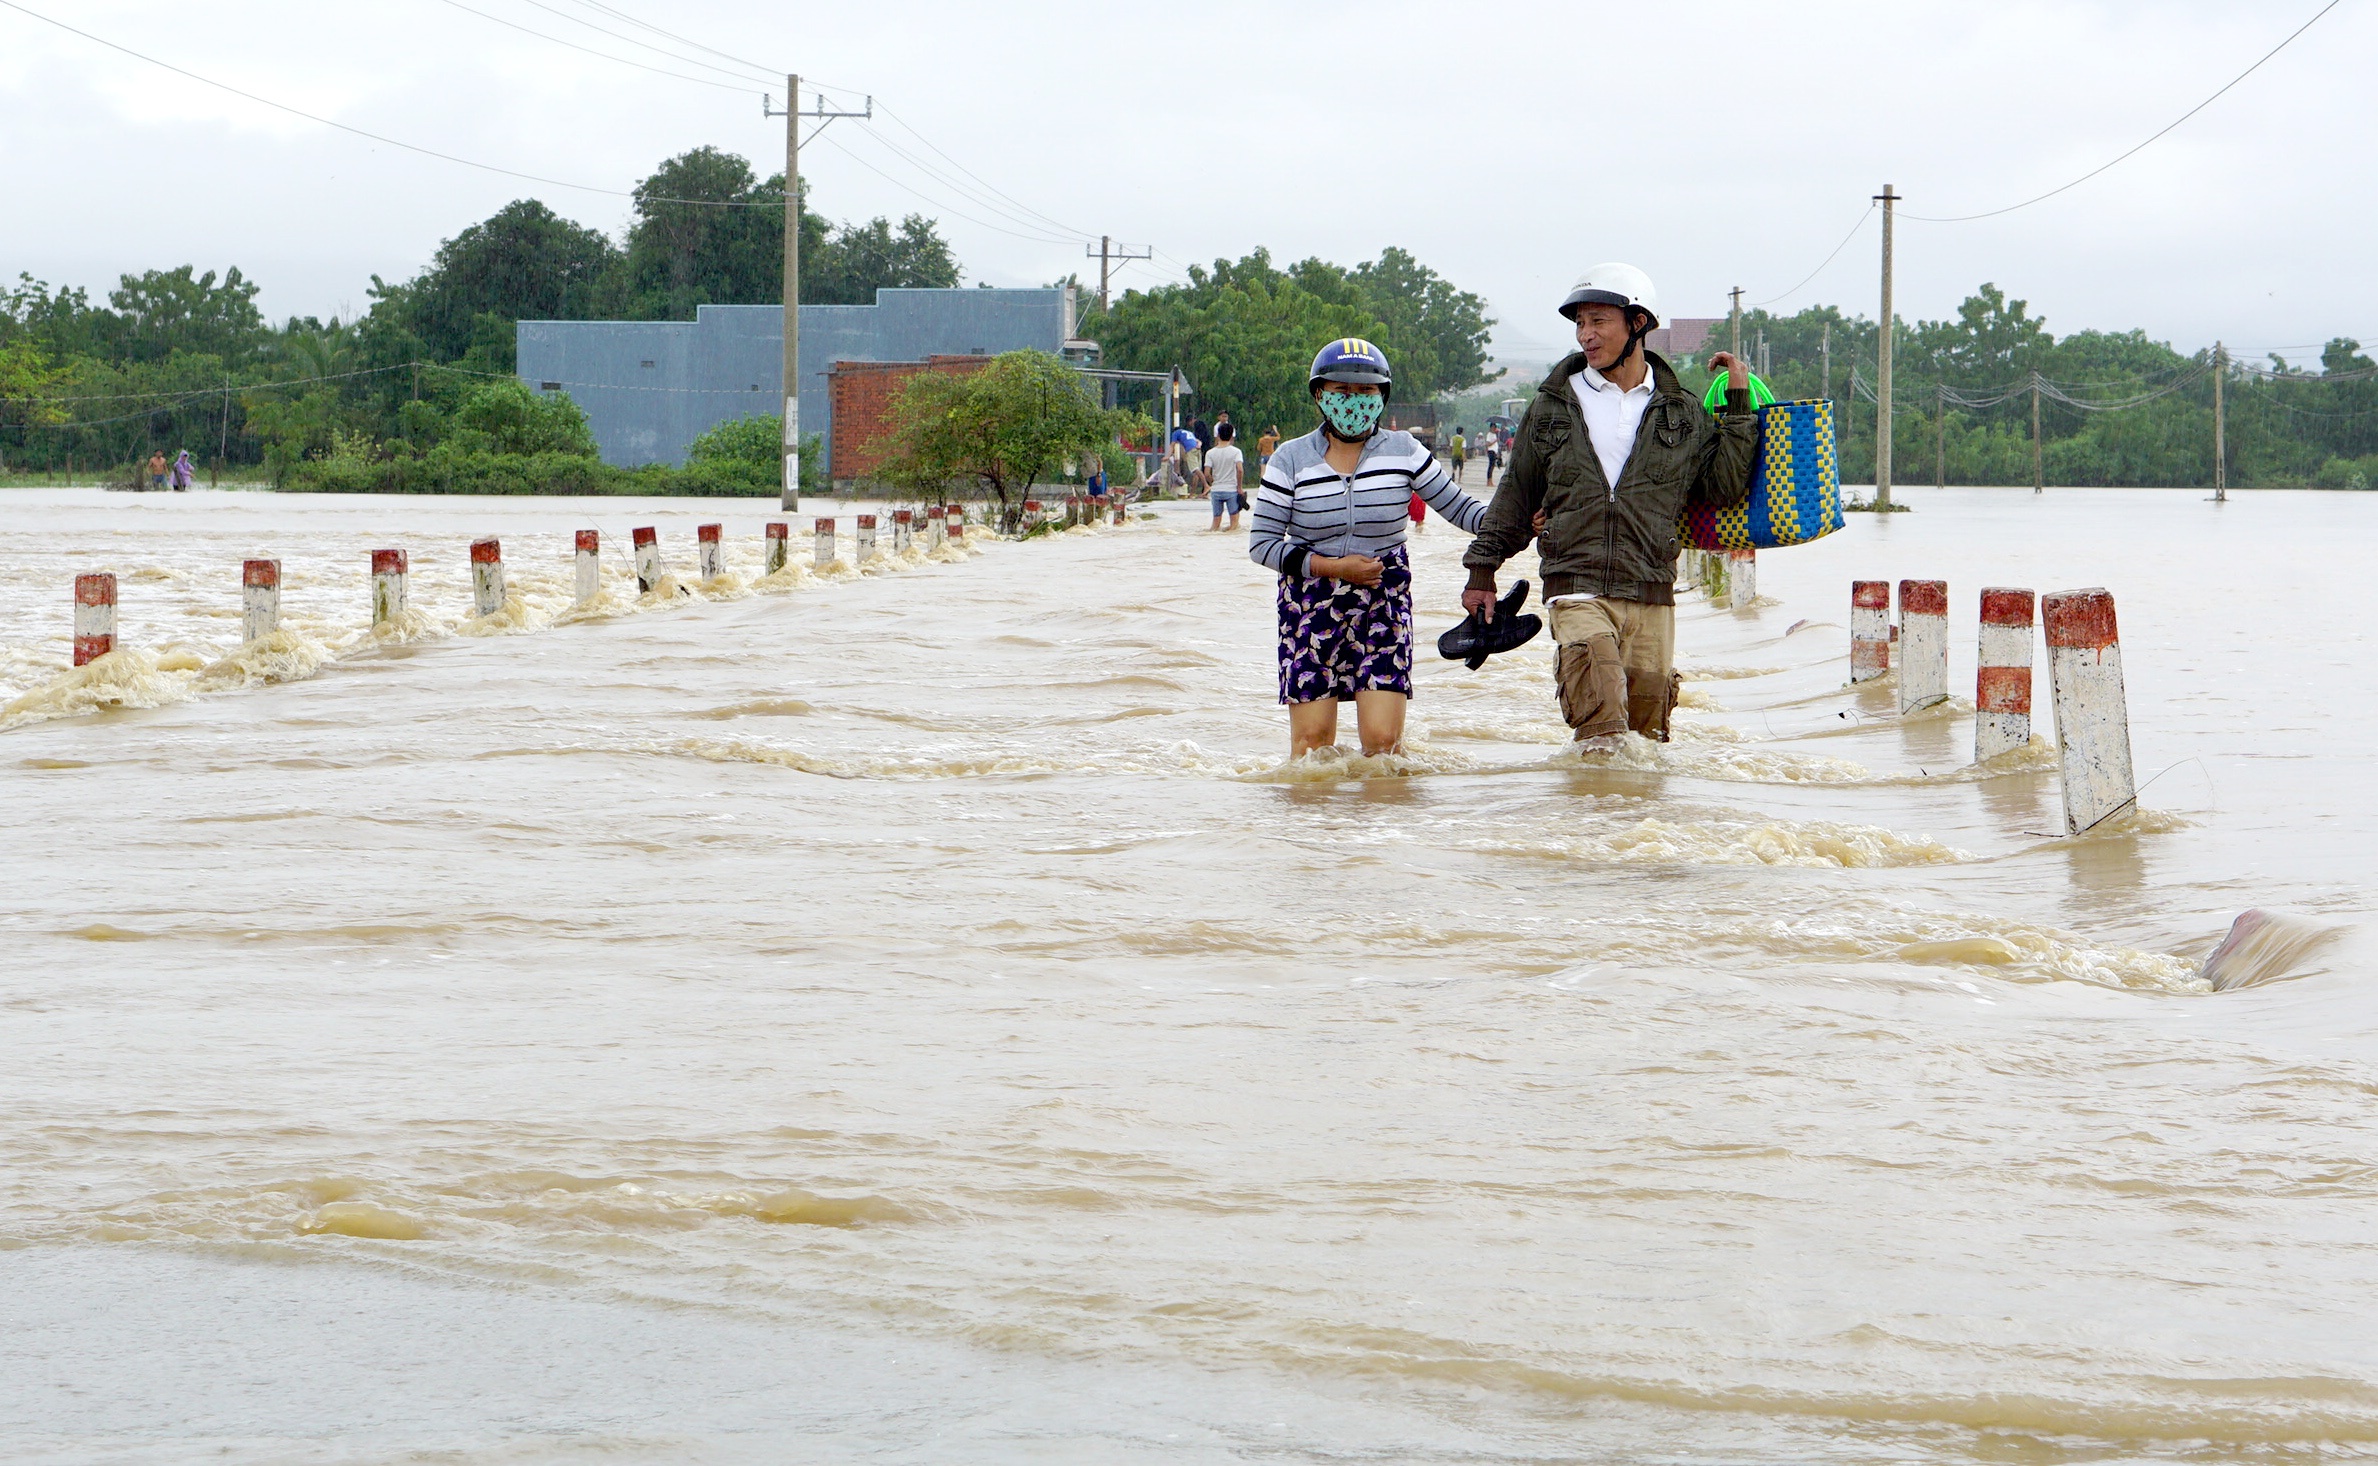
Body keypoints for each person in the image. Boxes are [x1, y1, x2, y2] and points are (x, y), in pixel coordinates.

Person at [1460, 263, 1755, 750]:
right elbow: (1516, 493)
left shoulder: (1681, 410)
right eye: (1580, 323)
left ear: (1638, 323)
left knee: (1645, 745)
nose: (1586, 335)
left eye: (1598, 321)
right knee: (1602, 733)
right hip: (1576, 585)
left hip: (1651, 589)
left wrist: (1739, 403)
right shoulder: (1552, 405)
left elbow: (1722, 489)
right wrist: (1481, 572)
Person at [1249, 338, 1490, 758]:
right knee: (1312, 748)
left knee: (1382, 744)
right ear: (1319, 395)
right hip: (1309, 606)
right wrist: (1332, 567)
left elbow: (1461, 510)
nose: (1354, 400)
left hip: (1383, 602)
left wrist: (1519, 522)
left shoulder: (1405, 451)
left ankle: (1383, 805)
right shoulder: (1290, 459)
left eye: (1365, 391)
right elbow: (1262, 544)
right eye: (1341, 391)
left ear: (1382, 396)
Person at [1206, 422, 1246, 531]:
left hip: (1216, 490)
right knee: (1234, 525)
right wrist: (1239, 487)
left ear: (1218, 435)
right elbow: (1240, 470)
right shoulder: (1236, 452)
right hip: (1231, 490)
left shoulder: (1210, 453)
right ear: (1232, 436)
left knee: (1215, 524)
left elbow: (1207, 474)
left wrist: (1213, 482)